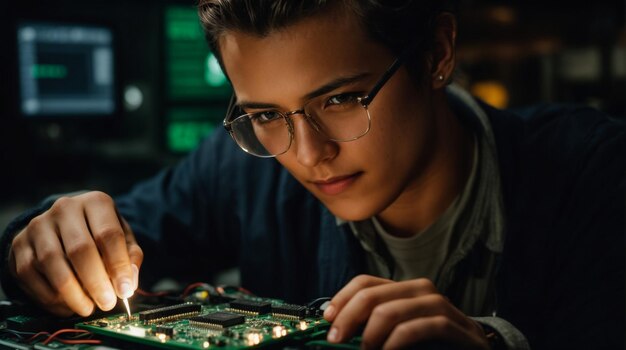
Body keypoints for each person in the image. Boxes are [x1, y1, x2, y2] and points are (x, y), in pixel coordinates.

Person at [1, 1, 624, 349]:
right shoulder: (242, 167)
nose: (306, 153)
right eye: (266, 113)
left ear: (435, 55)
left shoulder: (593, 174)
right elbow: (87, 234)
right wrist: (45, 237)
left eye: (340, 99)